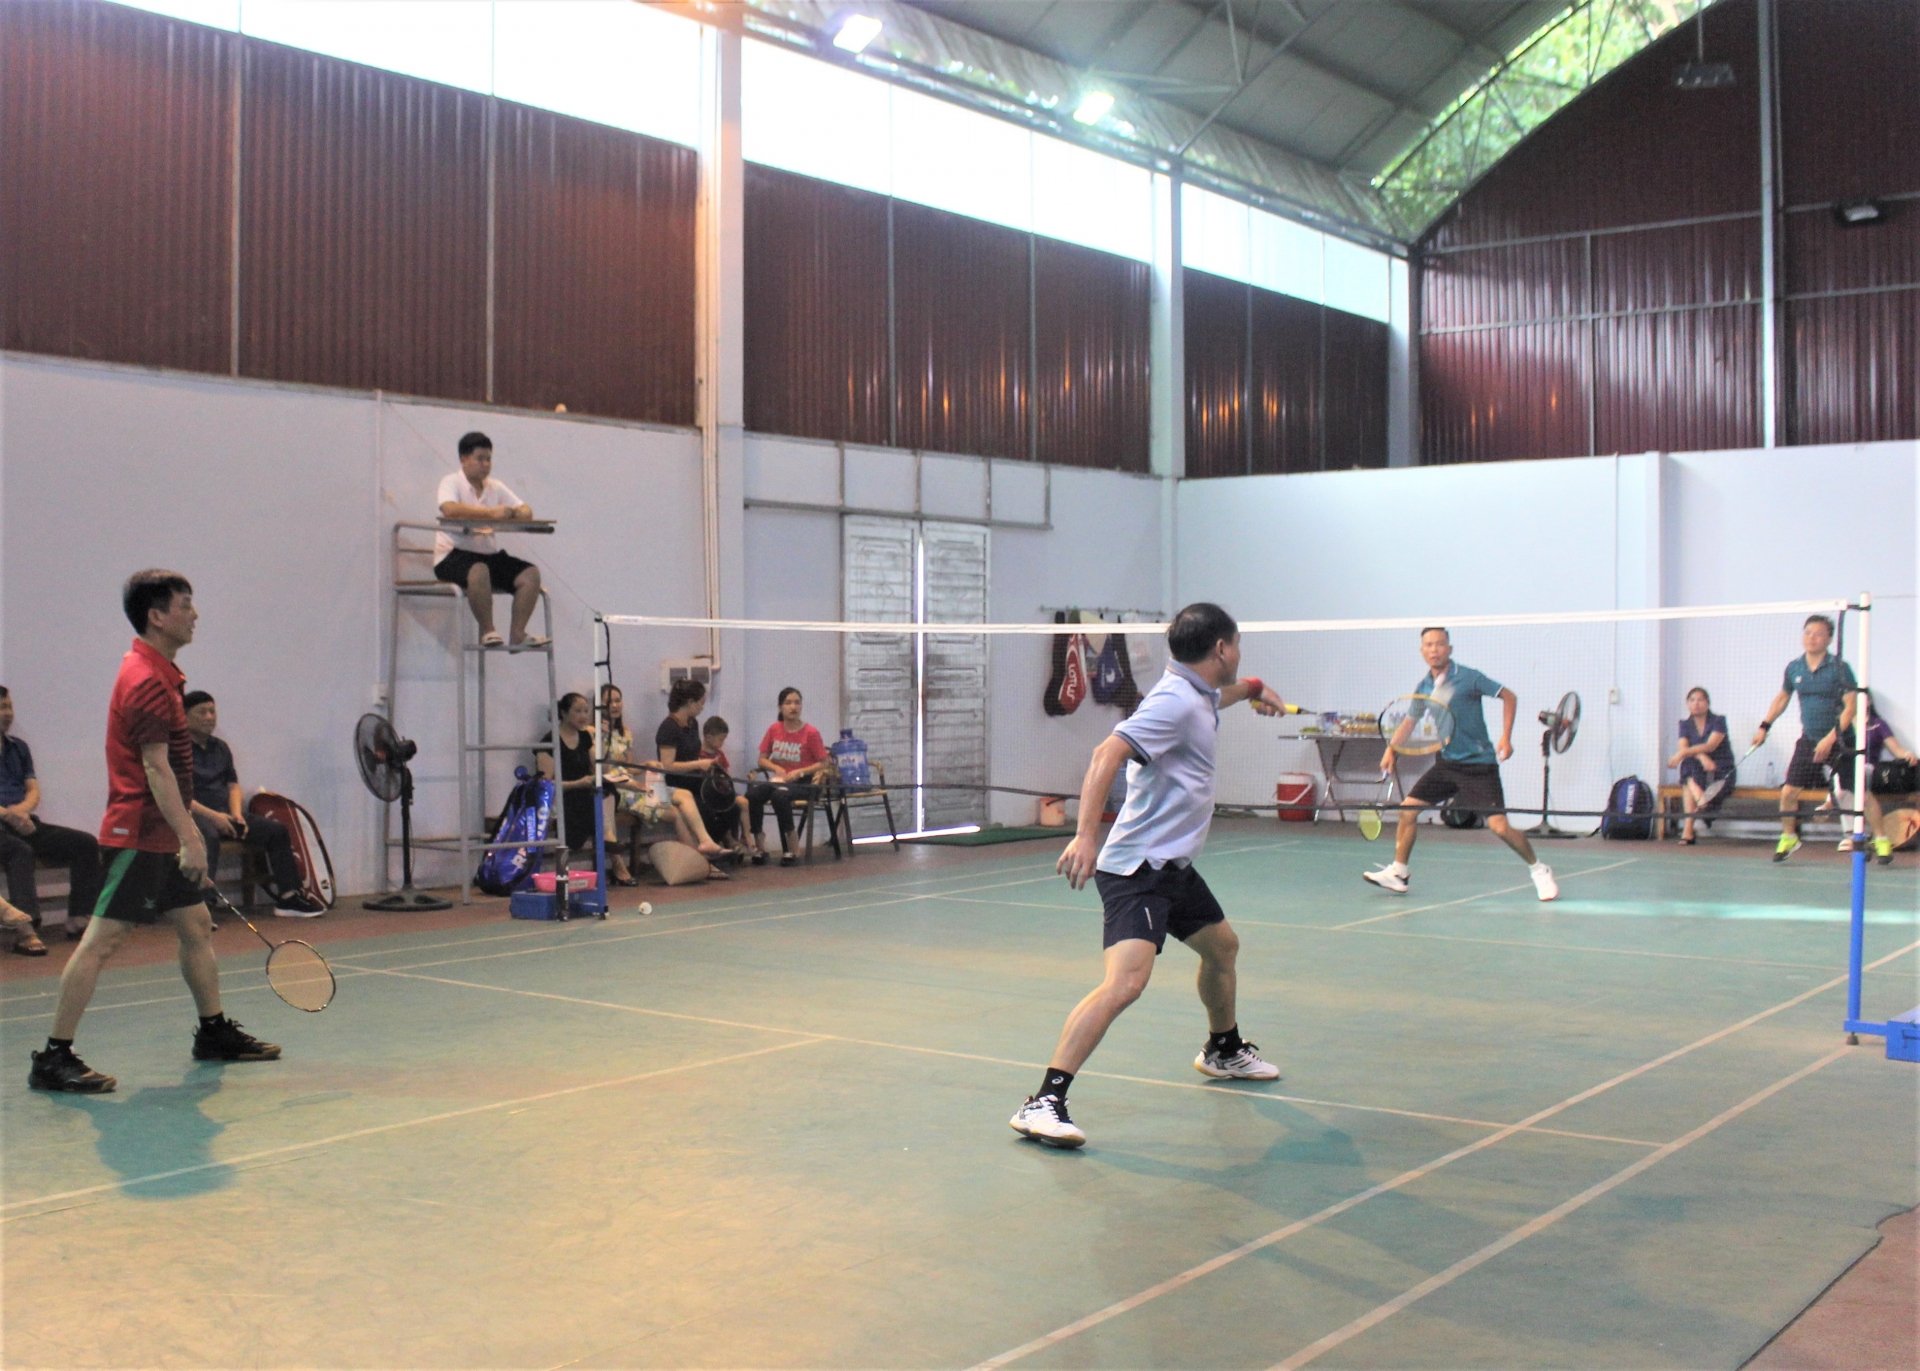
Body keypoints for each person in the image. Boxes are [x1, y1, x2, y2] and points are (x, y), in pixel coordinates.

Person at [1009, 602, 1289, 1150]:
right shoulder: (1174, 703)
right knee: (1125, 984)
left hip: (1173, 866)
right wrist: (1086, 834)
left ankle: (1223, 1049)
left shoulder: (1197, 691)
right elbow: (1105, 753)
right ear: (1220, 650)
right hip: (1137, 869)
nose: (1240, 655)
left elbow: (1221, 696)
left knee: (1223, 948)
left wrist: (1254, 687)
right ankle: (1043, 1101)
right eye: (1239, 648)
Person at [29, 570, 278, 1095]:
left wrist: (184, 831)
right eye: (185, 605)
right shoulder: (145, 681)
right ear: (156, 616)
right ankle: (54, 1056)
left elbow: (171, 774)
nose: (195, 614)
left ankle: (212, 1031)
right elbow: (155, 769)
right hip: (138, 832)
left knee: (195, 927)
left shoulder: (162, 673)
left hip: (162, 828)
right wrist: (192, 838)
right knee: (102, 941)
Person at [1362, 627, 1558, 901]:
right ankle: (1399, 872)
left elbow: (1508, 696)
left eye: (1439, 644)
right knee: (1407, 810)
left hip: (1479, 765)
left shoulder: (1468, 677)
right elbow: (1410, 721)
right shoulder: (1424, 687)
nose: (1434, 650)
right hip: (1446, 764)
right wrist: (1392, 750)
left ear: (1449, 649)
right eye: (1428, 645)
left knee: (1499, 827)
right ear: (1422, 651)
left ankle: (1539, 870)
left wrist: (1505, 737)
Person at [183, 691, 325, 916]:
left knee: (276, 831)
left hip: (227, 814)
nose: (209, 717)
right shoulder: (177, 750)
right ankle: (203, 905)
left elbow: (232, 786)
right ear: (185, 717)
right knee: (207, 836)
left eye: (212, 711)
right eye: (202, 712)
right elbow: (180, 797)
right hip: (196, 816)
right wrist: (215, 817)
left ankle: (289, 897)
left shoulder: (221, 748)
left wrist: (237, 815)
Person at [0, 685, 105, 941]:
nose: (8, 713)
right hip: (4, 826)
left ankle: (79, 917)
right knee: (20, 851)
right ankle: (26, 928)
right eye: (2, 708)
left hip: (22, 821)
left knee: (85, 843)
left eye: (9, 707)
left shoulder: (19, 748)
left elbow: (33, 789)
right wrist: (8, 815)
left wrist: (22, 812)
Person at [1752, 614, 1858, 862]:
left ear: (1829, 639)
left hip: (1840, 739)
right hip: (1809, 739)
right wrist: (1764, 726)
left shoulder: (1840, 668)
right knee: (1788, 792)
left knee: (1857, 792)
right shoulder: (1794, 668)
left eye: (1818, 633)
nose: (1812, 637)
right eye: (1808, 632)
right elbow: (1782, 698)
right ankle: (1789, 836)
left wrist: (1830, 739)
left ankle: (1876, 838)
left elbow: (1850, 708)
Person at [433, 431, 548, 651]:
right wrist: (490, 513)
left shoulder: (495, 486)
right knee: (479, 571)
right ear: (464, 459)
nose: (486, 465)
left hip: (487, 556)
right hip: (452, 556)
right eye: (480, 459)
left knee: (530, 575)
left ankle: (517, 634)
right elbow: (449, 509)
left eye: (489, 459)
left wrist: (514, 514)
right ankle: (488, 631)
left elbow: (526, 510)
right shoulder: (450, 482)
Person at [650, 680, 732, 860]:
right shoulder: (668, 728)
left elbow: (692, 757)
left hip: (694, 780)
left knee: (727, 803)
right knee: (704, 807)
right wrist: (698, 764)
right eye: (701, 703)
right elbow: (668, 766)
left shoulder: (693, 724)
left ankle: (713, 844)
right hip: (673, 784)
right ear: (689, 702)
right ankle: (704, 851)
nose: (702, 707)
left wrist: (707, 766)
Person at [754, 687, 835, 867]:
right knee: (753, 795)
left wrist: (800, 771)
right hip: (780, 781)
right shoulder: (774, 729)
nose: (793, 707)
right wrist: (776, 768)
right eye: (788, 703)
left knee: (779, 796)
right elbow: (761, 760)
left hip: (805, 784)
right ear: (780, 707)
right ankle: (759, 845)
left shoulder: (811, 733)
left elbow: (824, 762)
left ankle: (792, 844)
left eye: (797, 702)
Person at [1835, 693, 1917, 865]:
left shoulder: (1877, 724)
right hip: (1845, 769)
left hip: (1869, 769)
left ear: (1869, 701)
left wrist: (1907, 754)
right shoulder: (1842, 725)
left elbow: (1896, 749)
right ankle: (1853, 836)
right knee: (1843, 783)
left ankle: (1874, 839)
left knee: (1854, 784)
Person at [1666, 686, 1735, 844]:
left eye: (1700, 699)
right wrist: (1701, 756)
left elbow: (1711, 745)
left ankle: (1689, 830)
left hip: (1721, 767)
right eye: (1692, 700)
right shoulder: (1684, 724)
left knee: (1687, 763)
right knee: (1689, 764)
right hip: (1698, 768)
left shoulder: (1719, 721)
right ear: (1687, 704)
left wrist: (1684, 753)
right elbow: (1683, 747)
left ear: (1707, 703)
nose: (1696, 703)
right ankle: (1698, 798)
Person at [696, 717, 765, 862]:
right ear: (708, 737)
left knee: (744, 802)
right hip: (709, 793)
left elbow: (727, 775)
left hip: (724, 791)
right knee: (731, 805)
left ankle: (747, 840)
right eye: (721, 740)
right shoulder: (699, 755)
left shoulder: (720, 755)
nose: (723, 743)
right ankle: (729, 839)